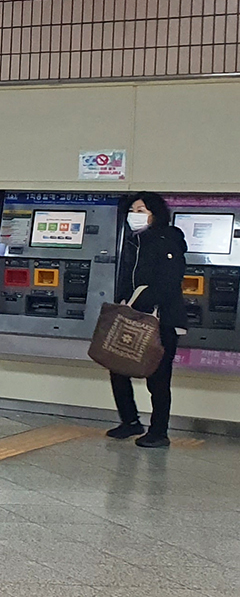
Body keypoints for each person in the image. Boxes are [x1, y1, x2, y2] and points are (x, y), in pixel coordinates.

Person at [106, 191, 187, 449]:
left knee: (158, 378)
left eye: (141, 211)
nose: (135, 215)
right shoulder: (133, 241)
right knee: (118, 367)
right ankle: (130, 421)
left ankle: (159, 431)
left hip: (161, 320)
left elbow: (169, 282)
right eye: (132, 210)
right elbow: (126, 278)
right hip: (132, 316)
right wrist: (123, 301)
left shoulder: (168, 240)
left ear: (155, 213)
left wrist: (140, 302)